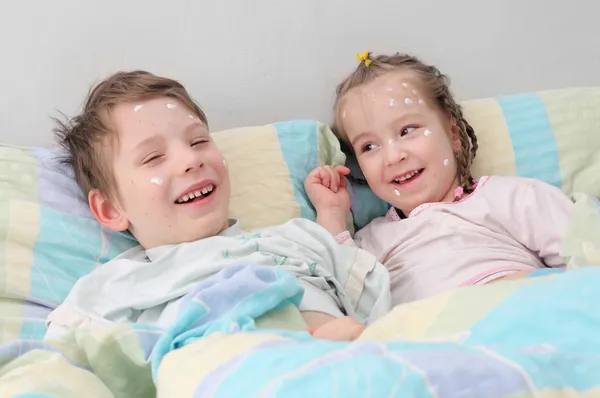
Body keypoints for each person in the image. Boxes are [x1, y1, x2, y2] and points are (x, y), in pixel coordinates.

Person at [46, 70, 390, 341]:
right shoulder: (115, 288)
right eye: (153, 157)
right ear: (110, 210)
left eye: (198, 141)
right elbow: (63, 368)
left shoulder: (299, 240)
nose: (189, 160)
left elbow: (383, 309)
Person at [305, 52, 573, 306]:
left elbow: (586, 252)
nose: (393, 156)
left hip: (523, 308)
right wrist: (331, 213)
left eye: (407, 130)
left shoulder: (513, 198)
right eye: (369, 147)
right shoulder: (373, 242)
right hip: (435, 338)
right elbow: (337, 293)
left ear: (453, 133)